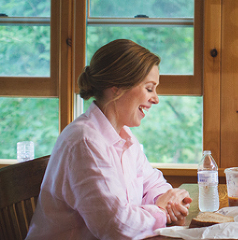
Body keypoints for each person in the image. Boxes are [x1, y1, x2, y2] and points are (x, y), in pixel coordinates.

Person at [26, 39, 192, 240]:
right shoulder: (85, 142)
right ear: (118, 86)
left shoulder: (124, 135)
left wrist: (171, 202)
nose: (156, 99)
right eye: (149, 88)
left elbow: (152, 182)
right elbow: (116, 226)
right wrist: (160, 211)